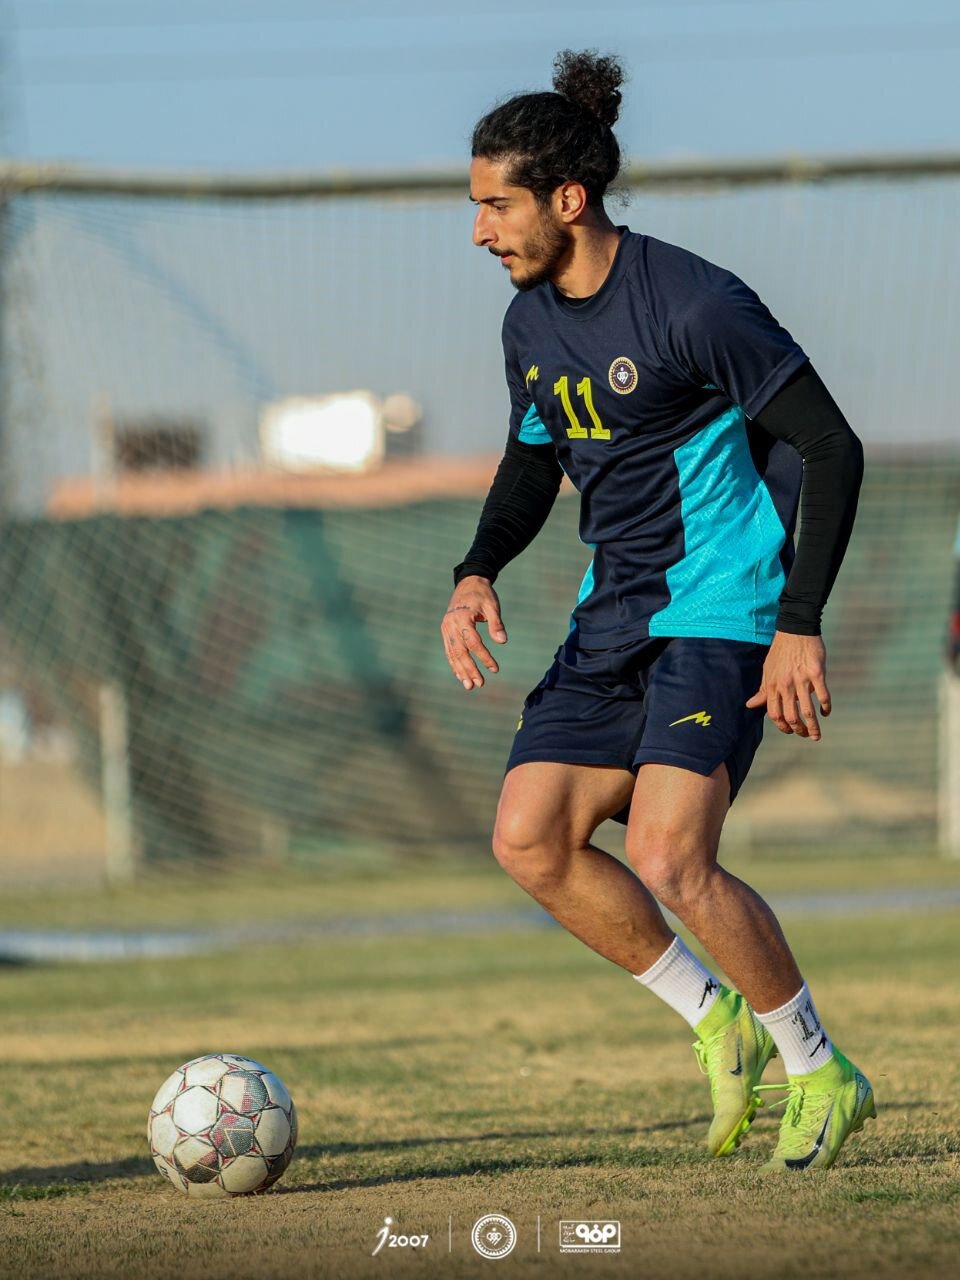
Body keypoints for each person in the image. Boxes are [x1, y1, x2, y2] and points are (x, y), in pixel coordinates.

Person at [441, 49, 874, 1172]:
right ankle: (714, 1018)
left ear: (566, 200)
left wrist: (799, 619)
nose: (482, 231)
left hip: (724, 607)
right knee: (528, 837)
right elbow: (534, 462)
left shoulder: (693, 301)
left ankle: (818, 1062)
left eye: (497, 205)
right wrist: (477, 567)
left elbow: (832, 444)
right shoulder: (529, 324)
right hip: (612, 612)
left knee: (675, 856)